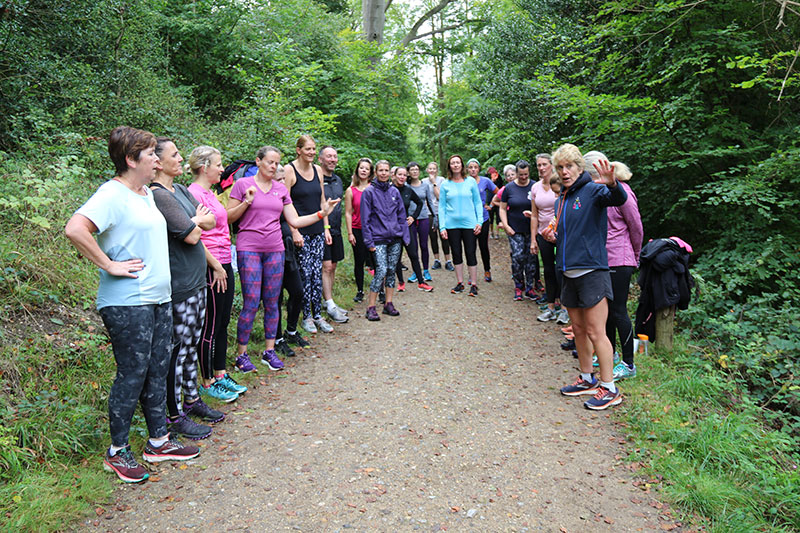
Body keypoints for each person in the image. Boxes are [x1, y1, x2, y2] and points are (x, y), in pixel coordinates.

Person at [65, 126, 199, 484]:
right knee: (132, 374)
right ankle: (117, 451)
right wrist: (108, 264)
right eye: (151, 154)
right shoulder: (111, 194)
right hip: (128, 303)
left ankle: (158, 441)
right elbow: (75, 228)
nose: (157, 159)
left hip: (158, 299)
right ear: (131, 159)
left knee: (157, 369)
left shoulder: (144, 195)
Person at [227, 146, 340, 372]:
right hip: (249, 248)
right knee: (250, 302)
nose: (274, 166)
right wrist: (246, 202)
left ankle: (269, 352)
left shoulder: (280, 189)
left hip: (275, 249)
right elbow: (228, 218)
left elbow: (295, 221)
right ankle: (242, 356)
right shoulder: (242, 185)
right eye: (269, 162)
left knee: (272, 301)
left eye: (277, 163)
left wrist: (322, 214)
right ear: (258, 162)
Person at [152, 137, 223, 441]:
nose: (180, 159)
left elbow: (207, 222)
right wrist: (194, 223)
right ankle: (174, 413)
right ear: (158, 161)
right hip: (178, 285)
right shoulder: (158, 195)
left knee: (192, 345)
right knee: (177, 350)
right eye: (175, 155)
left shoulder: (179, 190)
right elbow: (191, 234)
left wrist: (194, 223)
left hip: (197, 280)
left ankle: (192, 399)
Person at [547, 143, 628, 410]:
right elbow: (566, 234)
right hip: (568, 272)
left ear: (580, 167)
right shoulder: (562, 199)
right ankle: (586, 378)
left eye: (569, 166)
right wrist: (552, 236)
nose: (565, 171)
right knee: (579, 330)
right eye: (560, 167)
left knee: (596, 331)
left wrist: (613, 184)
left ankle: (610, 388)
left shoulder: (593, 191)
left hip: (592, 271)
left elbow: (618, 200)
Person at [186, 146, 248, 403]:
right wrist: (215, 266)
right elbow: (195, 235)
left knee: (222, 321)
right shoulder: (191, 194)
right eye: (219, 164)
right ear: (204, 167)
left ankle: (221, 375)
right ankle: (207, 381)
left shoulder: (211, 193)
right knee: (209, 325)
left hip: (225, 261)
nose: (223, 169)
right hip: (211, 265)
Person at [586, 158, 643, 380]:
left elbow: (636, 227)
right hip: (601, 260)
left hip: (620, 258)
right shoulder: (598, 193)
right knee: (604, 311)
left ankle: (629, 364)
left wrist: (635, 255)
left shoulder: (623, 193)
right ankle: (609, 353)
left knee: (618, 310)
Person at [284, 135, 334, 334]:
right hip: (300, 232)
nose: (312, 153)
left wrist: (326, 227)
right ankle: (306, 317)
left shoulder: (318, 170)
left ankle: (317, 315)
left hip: (318, 230)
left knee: (316, 275)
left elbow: (322, 200)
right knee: (305, 275)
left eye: (314, 149)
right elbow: (284, 202)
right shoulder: (290, 170)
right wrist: (294, 231)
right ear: (298, 150)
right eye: (308, 149)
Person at [361, 160, 410, 320]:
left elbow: (402, 215)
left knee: (391, 270)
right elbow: (365, 219)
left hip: (395, 238)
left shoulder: (394, 191)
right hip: (378, 238)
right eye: (380, 170)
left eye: (386, 170)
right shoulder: (369, 192)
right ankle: (371, 307)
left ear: (390, 173)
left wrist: (404, 236)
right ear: (375, 172)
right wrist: (369, 242)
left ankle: (388, 304)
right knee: (380, 270)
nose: (383, 173)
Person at [274, 164, 309, 358]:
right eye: (277, 180)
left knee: (297, 291)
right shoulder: (267, 197)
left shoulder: (284, 198)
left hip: (289, 252)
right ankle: (277, 339)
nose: (280, 183)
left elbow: (294, 220)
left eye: (282, 180)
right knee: (276, 297)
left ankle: (292, 331)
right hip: (273, 252)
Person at [530, 153, 568, 323]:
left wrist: (557, 231)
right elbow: (534, 215)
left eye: (544, 164)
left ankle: (565, 308)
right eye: (538, 165)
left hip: (561, 234)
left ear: (551, 165)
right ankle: (551, 306)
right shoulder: (535, 188)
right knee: (548, 269)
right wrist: (533, 239)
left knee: (563, 270)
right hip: (542, 233)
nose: (541, 168)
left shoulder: (560, 184)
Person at [439, 155, 483, 296]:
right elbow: (442, 207)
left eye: (458, 162)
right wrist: (442, 226)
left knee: (470, 252)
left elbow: (477, 202)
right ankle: (460, 282)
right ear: (449, 166)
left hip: (469, 223)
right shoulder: (445, 184)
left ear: (462, 165)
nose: (456, 165)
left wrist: (479, 221)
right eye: (453, 163)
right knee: (456, 253)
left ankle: (474, 284)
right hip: (452, 224)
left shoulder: (470, 182)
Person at [499, 160, 538, 302]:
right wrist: (506, 225)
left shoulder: (534, 186)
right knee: (517, 256)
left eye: (526, 174)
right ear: (516, 173)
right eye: (521, 174)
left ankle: (530, 287)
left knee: (531, 258)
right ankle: (518, 285)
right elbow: (502, 208)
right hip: (514, 230)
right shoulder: (509, 188)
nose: (523, 177)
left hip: (531, 229)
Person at [319, 145, 349, 323]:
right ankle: (329, 304)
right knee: (326, 266)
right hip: (323, 229)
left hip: (337, 230)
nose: (332, 159)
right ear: (320, 159)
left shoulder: (337, 180)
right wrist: (325, 228)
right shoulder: (316, 179)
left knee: (333, 266)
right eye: (329, 156)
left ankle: (328, 301)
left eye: (335, 156)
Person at [392, 166, 434, 292]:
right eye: (399, 174)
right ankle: (400, 282)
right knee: (396, 256)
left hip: (406, 226)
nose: (402, 177)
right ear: (394, 175)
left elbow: (420, 203)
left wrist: (413, 217)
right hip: (393, 228)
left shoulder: (408, 190)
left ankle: (421, 282)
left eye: (404, 175)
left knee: (413, 254)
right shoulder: (389, 190)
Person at [345, 157, 374, 303]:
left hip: (374, 231)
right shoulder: (351, 190)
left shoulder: (374, 189)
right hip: (357, 229)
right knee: (359, 261)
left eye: (366, 168)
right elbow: (348, 213)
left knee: (377, 261)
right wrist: (350, 233)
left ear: (370, 172)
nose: (363, 170)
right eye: (361, 168)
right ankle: (360, 290)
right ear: (357, 170)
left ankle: (379, 290)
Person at [466, 158, 498, 282]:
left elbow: (498, 192)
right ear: (467, 169)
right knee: (470, 247)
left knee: (483, 246)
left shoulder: (485, 181)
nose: (473, 169)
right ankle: (471, 274)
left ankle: (487, 270)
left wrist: (491, 205)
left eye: (475, 167)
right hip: (468, 220)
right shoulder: (464, 181)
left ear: (479, 169)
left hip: (483, 218)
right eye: (470, 167)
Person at [406, 161, 435, 283]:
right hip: (410, 219)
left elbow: (430, 202)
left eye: (416, 169)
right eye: (412, 170)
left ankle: (426, 270)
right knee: (413, 247)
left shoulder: (425, 186)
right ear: (408, 172)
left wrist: (435, 217)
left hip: (423, 217)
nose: (414, 172)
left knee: (424, 245)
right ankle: (415, 271)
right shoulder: (406, 187)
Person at [423, 161, 453, 271]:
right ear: (427, 170)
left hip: (441, 212)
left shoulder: (442, 180)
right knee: (433, 237)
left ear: (437, 170)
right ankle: (437, 260)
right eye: (430, 169)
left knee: (444, 236)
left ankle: (448, 261)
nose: (432, 171)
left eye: (434, 169)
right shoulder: (423, 182)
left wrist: (434, 182)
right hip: (429, 213)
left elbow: (440, 197)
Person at [487, 166, 502, 239]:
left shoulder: (499, 179)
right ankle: (491, 232)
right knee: (491, 217)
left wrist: (497, 176)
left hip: (498, 200)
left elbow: (501, 186)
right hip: (490, 200)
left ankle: (497, 233)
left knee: (498, 217)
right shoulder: (487, 179)